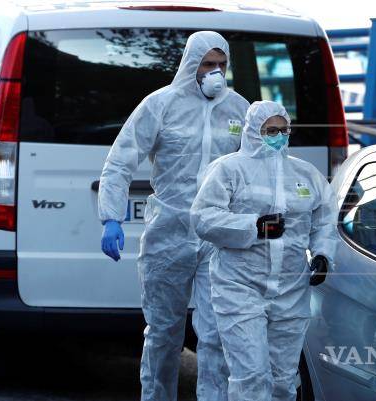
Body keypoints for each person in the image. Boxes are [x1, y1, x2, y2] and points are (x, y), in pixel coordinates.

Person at [98, 31, 249, 401]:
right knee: (164, 332)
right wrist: (111, 216)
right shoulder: (160, 104)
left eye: (222, 64)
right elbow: (120, 161)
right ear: (191, 64)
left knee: (216, 334)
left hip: (218, 237)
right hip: (169, 233)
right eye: (208, 64)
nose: (215, 72)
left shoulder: (239, 109)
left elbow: (256, 168)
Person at [190, 101, 339, 401]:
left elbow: (325, 220)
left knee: (283, 382)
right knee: (252, 378)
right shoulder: (229, 169)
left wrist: (323, 255)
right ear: (253, 132)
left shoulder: (306, 174)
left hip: (291, 290)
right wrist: (254, 226)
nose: (278, 137)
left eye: (284, 130)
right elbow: (203, 218)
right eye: (270, 131)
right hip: (240, 287)